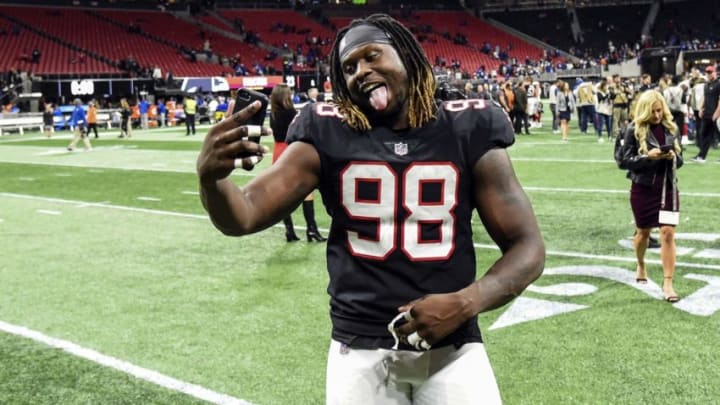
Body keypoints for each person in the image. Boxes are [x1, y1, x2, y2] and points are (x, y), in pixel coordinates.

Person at [196, 14, 545, 404]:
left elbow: (527, 247)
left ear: (408, 57)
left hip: (453, 347)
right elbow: (243, 215)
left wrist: (466, 302)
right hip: (358, 350)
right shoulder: (325, 131)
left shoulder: (467, 126)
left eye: (372, 56)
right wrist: (211, 179)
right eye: (349, 67)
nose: (361, 71)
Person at [618, 90, 683, 302]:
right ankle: (641, 263)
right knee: (643, 234)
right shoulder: (633, 129)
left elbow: (681, 161)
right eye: (653, 111)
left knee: (667, 233)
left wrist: (673, 155)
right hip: (643, 189)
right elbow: (623, 161)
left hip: (668, 188)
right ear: (645, 110)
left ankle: (668, 282)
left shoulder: (670, 127)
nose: (657, 115)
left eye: (660, 110)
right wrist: (648, 156)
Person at [269, 83, 327, 242]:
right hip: (292, 151)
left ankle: (289, 231)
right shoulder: (292, 113)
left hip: (278, 152)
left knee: (283, 194)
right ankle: (311, 230)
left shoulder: (273, 114)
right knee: (307, 191)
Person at [692, 65, 720, 163]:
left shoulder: (719, 83)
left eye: (710, 72)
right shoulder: (706, 85)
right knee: (704, 135)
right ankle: (701, 156)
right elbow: (705, 97)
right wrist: (700, 108)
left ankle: (701, 156)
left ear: (715, 72)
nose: (709, 74)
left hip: (716, 115)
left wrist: (717, 113)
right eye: (707, 72)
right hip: (707, 114)